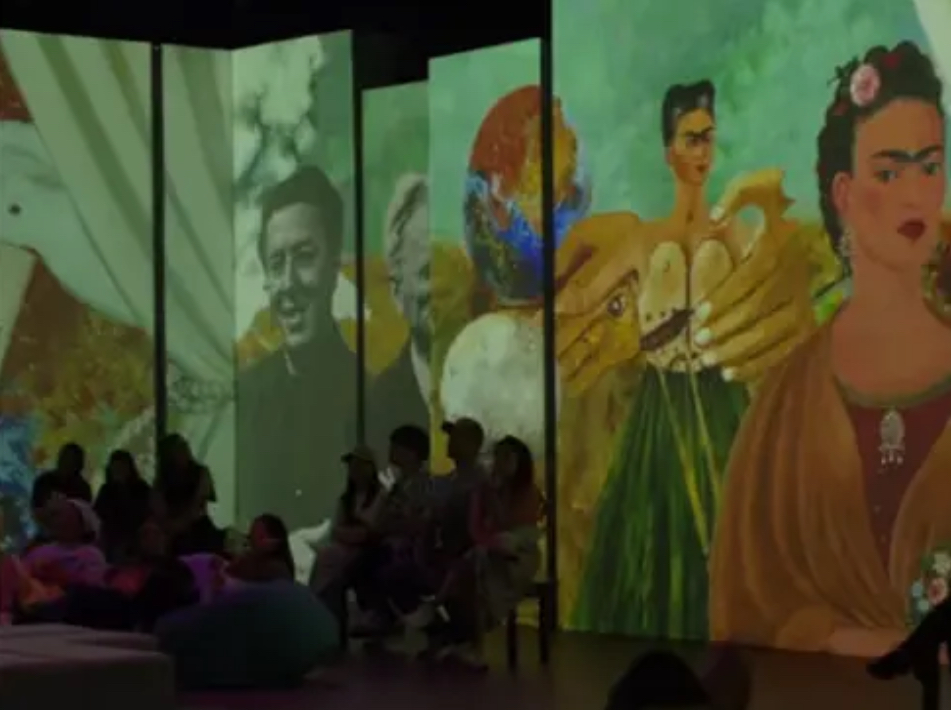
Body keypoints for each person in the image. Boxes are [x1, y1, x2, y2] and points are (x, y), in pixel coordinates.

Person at [709, 41, 951, 656]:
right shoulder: (787, 404)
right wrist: (854, 642)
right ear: (844, 193)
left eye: (931, 166)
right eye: (889, 173)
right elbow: (750, 604)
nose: (915, 194)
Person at [236, 166, 357, 530]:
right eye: (277, 264)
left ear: (335, 266)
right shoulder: (242, 401)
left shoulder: (372, 396)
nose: (288, 283)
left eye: (304, 257)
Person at [409, 435, 543, 670]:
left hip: (518, 556)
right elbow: (477, 527)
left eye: (506, 457)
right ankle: (458, 636)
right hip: (488, 551)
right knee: (466, 567)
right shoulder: (483, 488)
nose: (499, 462)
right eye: (497, 456)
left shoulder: (528, 492)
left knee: (470, 567)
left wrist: (491, 501)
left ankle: (444, 614)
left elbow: (511, 526)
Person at [362, 176, 432, 455]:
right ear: (397, 292)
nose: (443, 286)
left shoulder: (503, 387)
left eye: (453, 268)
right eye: (428, 272)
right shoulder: (374, 413)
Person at [309, 446, 386, 616]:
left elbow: (370, 532)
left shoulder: (381, 496)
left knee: (328, 559)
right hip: (344, 549)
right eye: (352, 466)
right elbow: (336, 530)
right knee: (326, 559)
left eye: (358, 465)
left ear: (369, 468)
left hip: (368, 550)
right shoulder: (345, 500)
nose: (354, 471)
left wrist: (355, 533)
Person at [94, 449, 152, 562]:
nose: (119, 470)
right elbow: (99, 515)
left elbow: (143, 513)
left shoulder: (141, 488)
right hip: (112, 538)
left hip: (136, 536)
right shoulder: (106, 490)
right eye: (116, 467)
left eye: (122, 466)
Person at [30, 443, 92, 531]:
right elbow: (36, 510)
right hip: (45, 532)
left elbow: (84, 519)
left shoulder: (83, 488)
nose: (67, 463)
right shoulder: (44, 481)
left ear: (79, 466)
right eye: (65, 459)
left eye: (72, 461)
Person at [227, 514, 295, 583]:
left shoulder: (276, 569)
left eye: (261, 537)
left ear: (275, 541)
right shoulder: (251, 562)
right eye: (251, 536)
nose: (252, 541)